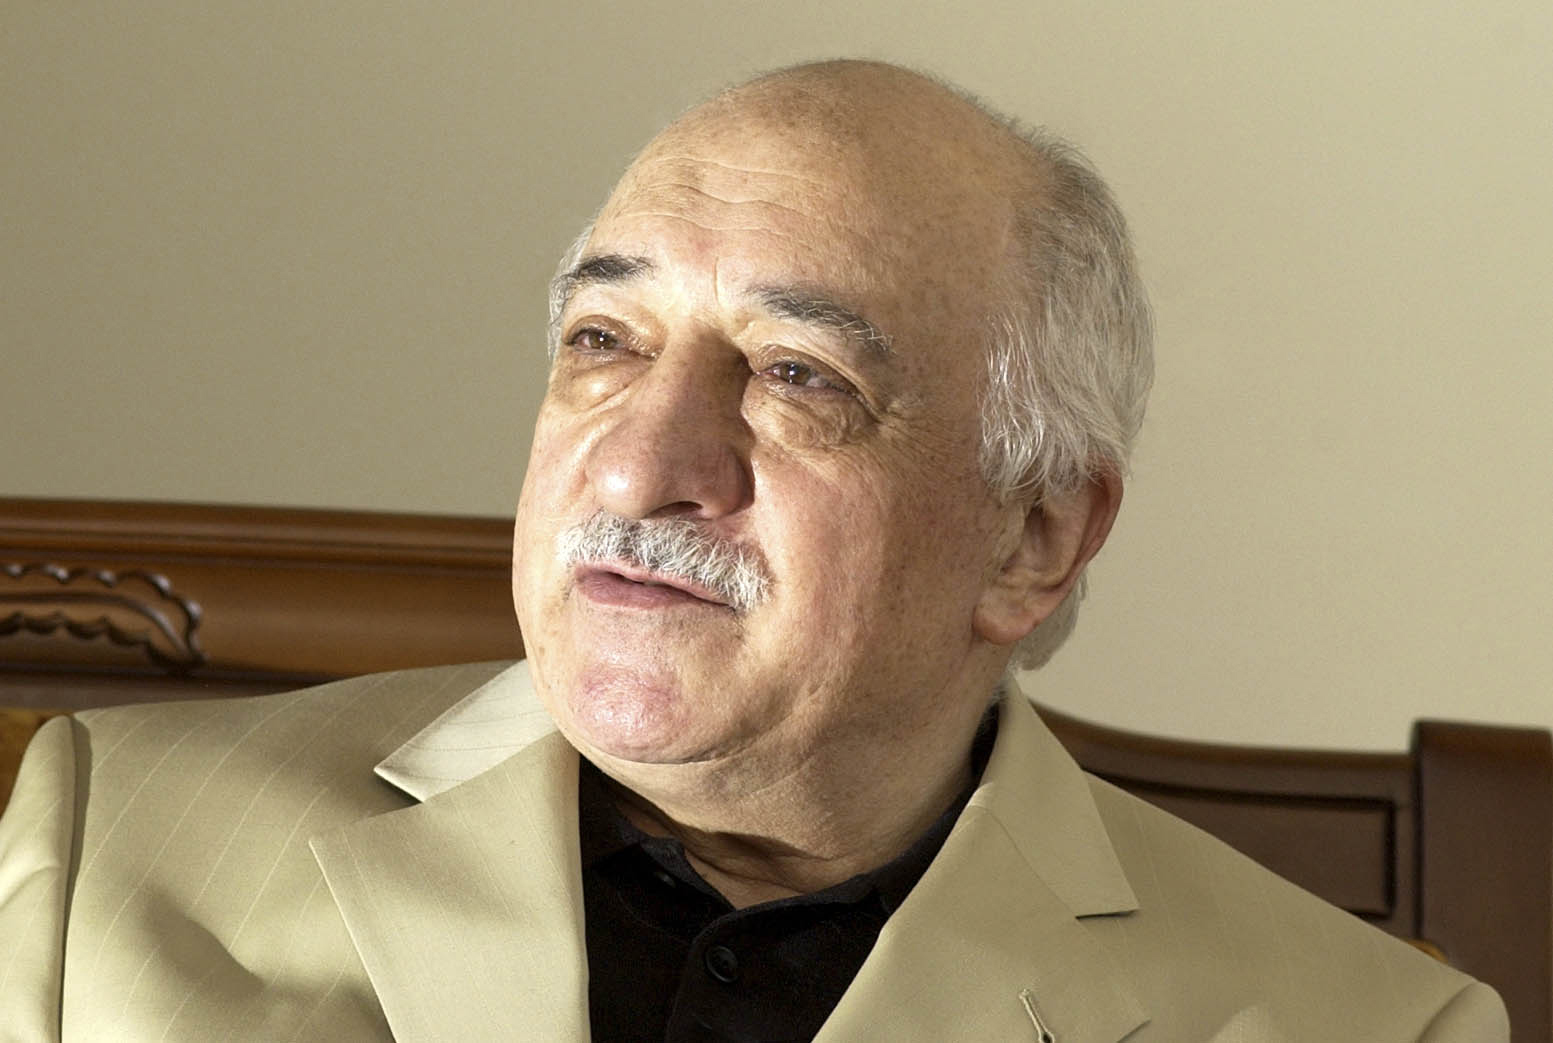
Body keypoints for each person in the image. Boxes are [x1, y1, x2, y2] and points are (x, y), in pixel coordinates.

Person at [0, 60, 1506, 1042]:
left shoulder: (1363, 1028)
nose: (638, 465)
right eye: (604, 341)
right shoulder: (110, 845)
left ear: (1033, 537)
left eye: (797, 374)